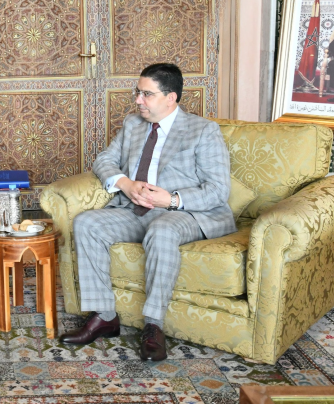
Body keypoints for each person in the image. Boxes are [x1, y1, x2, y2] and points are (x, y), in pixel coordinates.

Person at [58, 63, 235, 361]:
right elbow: (104, 160)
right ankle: (104, 316)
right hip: (136, 209)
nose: (138, 100)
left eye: (146, 94)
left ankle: (153, 325)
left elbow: (218, 190)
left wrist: (173, 200)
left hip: (185, 214)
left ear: (171, 97)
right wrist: (125, 184)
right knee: (86, 222)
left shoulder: (203, 130)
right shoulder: (133, 124)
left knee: (162, 229)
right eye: (137, 93)